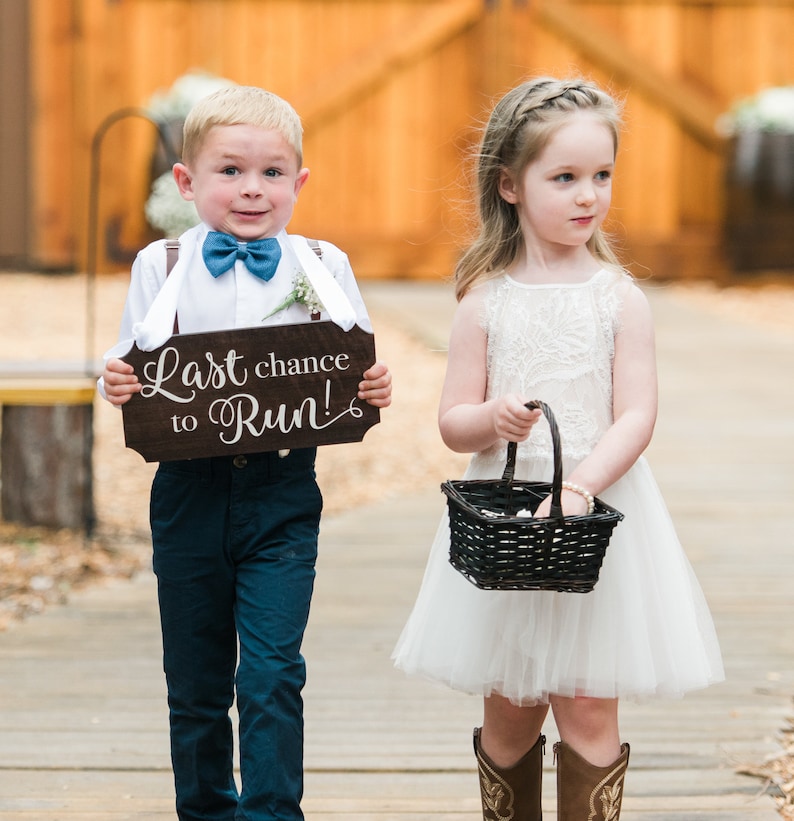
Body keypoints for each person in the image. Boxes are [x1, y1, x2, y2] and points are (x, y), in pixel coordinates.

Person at [392, 76, 723, 820]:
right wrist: (492, 418)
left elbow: (636, 413)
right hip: (506, 524)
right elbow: (452, 422)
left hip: (595, 517)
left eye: (601, 176)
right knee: (510, 707)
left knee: (587, 702)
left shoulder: (618, 297)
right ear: (510, 184)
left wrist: (580, 487)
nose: (588, 196)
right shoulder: (485, 299)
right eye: (565, 177)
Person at [100, 85, 392, 821]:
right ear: (186, 182)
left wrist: (374, 382)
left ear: (298, 183)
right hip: (188, 491)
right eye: (230, 171)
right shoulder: (160, 265)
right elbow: (131, 356)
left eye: (271, 173)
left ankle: (270, 813)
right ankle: (204, 809)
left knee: (271, 671)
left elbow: (347, 361)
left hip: (282, 493)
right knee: (196, 679)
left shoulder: (324, 264)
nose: (251, 190)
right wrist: (115, 374)